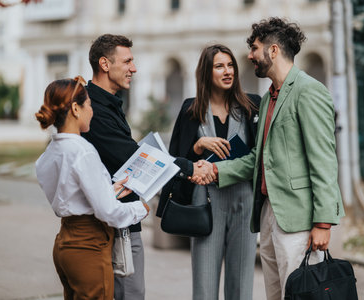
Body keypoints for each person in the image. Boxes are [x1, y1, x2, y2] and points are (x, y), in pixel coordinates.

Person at [197, 18, 345, 300]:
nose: (250, 56)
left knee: (300, 294)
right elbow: (259, 159)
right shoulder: (268, 98)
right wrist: (215, 170)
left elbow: (324, 161)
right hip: (268, 213)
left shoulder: (309, 91)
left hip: (298, 219)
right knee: (276, 295)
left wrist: (323, 223)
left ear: (273, 50)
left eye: (254, 48)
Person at [81, 34, 209, 300]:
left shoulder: (108, 104)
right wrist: (190, 168)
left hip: (122, 221)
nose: (134, 68)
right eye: (127, 61)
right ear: (105, 64)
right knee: (130, 293)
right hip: (112, 225)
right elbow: (128, 155)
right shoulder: (93, 109)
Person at [157, 44, 260, 300]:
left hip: (243, 198)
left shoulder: (251, 106)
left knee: (242, 281)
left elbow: (260, 155)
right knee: (204, 282)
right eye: (219, 66)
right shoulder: (190, 110)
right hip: (205, 200)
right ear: (206, 72)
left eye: (230, 65)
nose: (228, 71)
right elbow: (176, 160)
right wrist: (197, 145)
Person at [35, 76, 150, 299]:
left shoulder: (50, 153)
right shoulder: (83, 151)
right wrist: (141, 209)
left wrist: (109, 190)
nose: (92, 111)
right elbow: (109, 213)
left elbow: (70, 195)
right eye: (88, 105)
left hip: (64, 242)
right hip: (89, 244)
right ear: (76, 109)